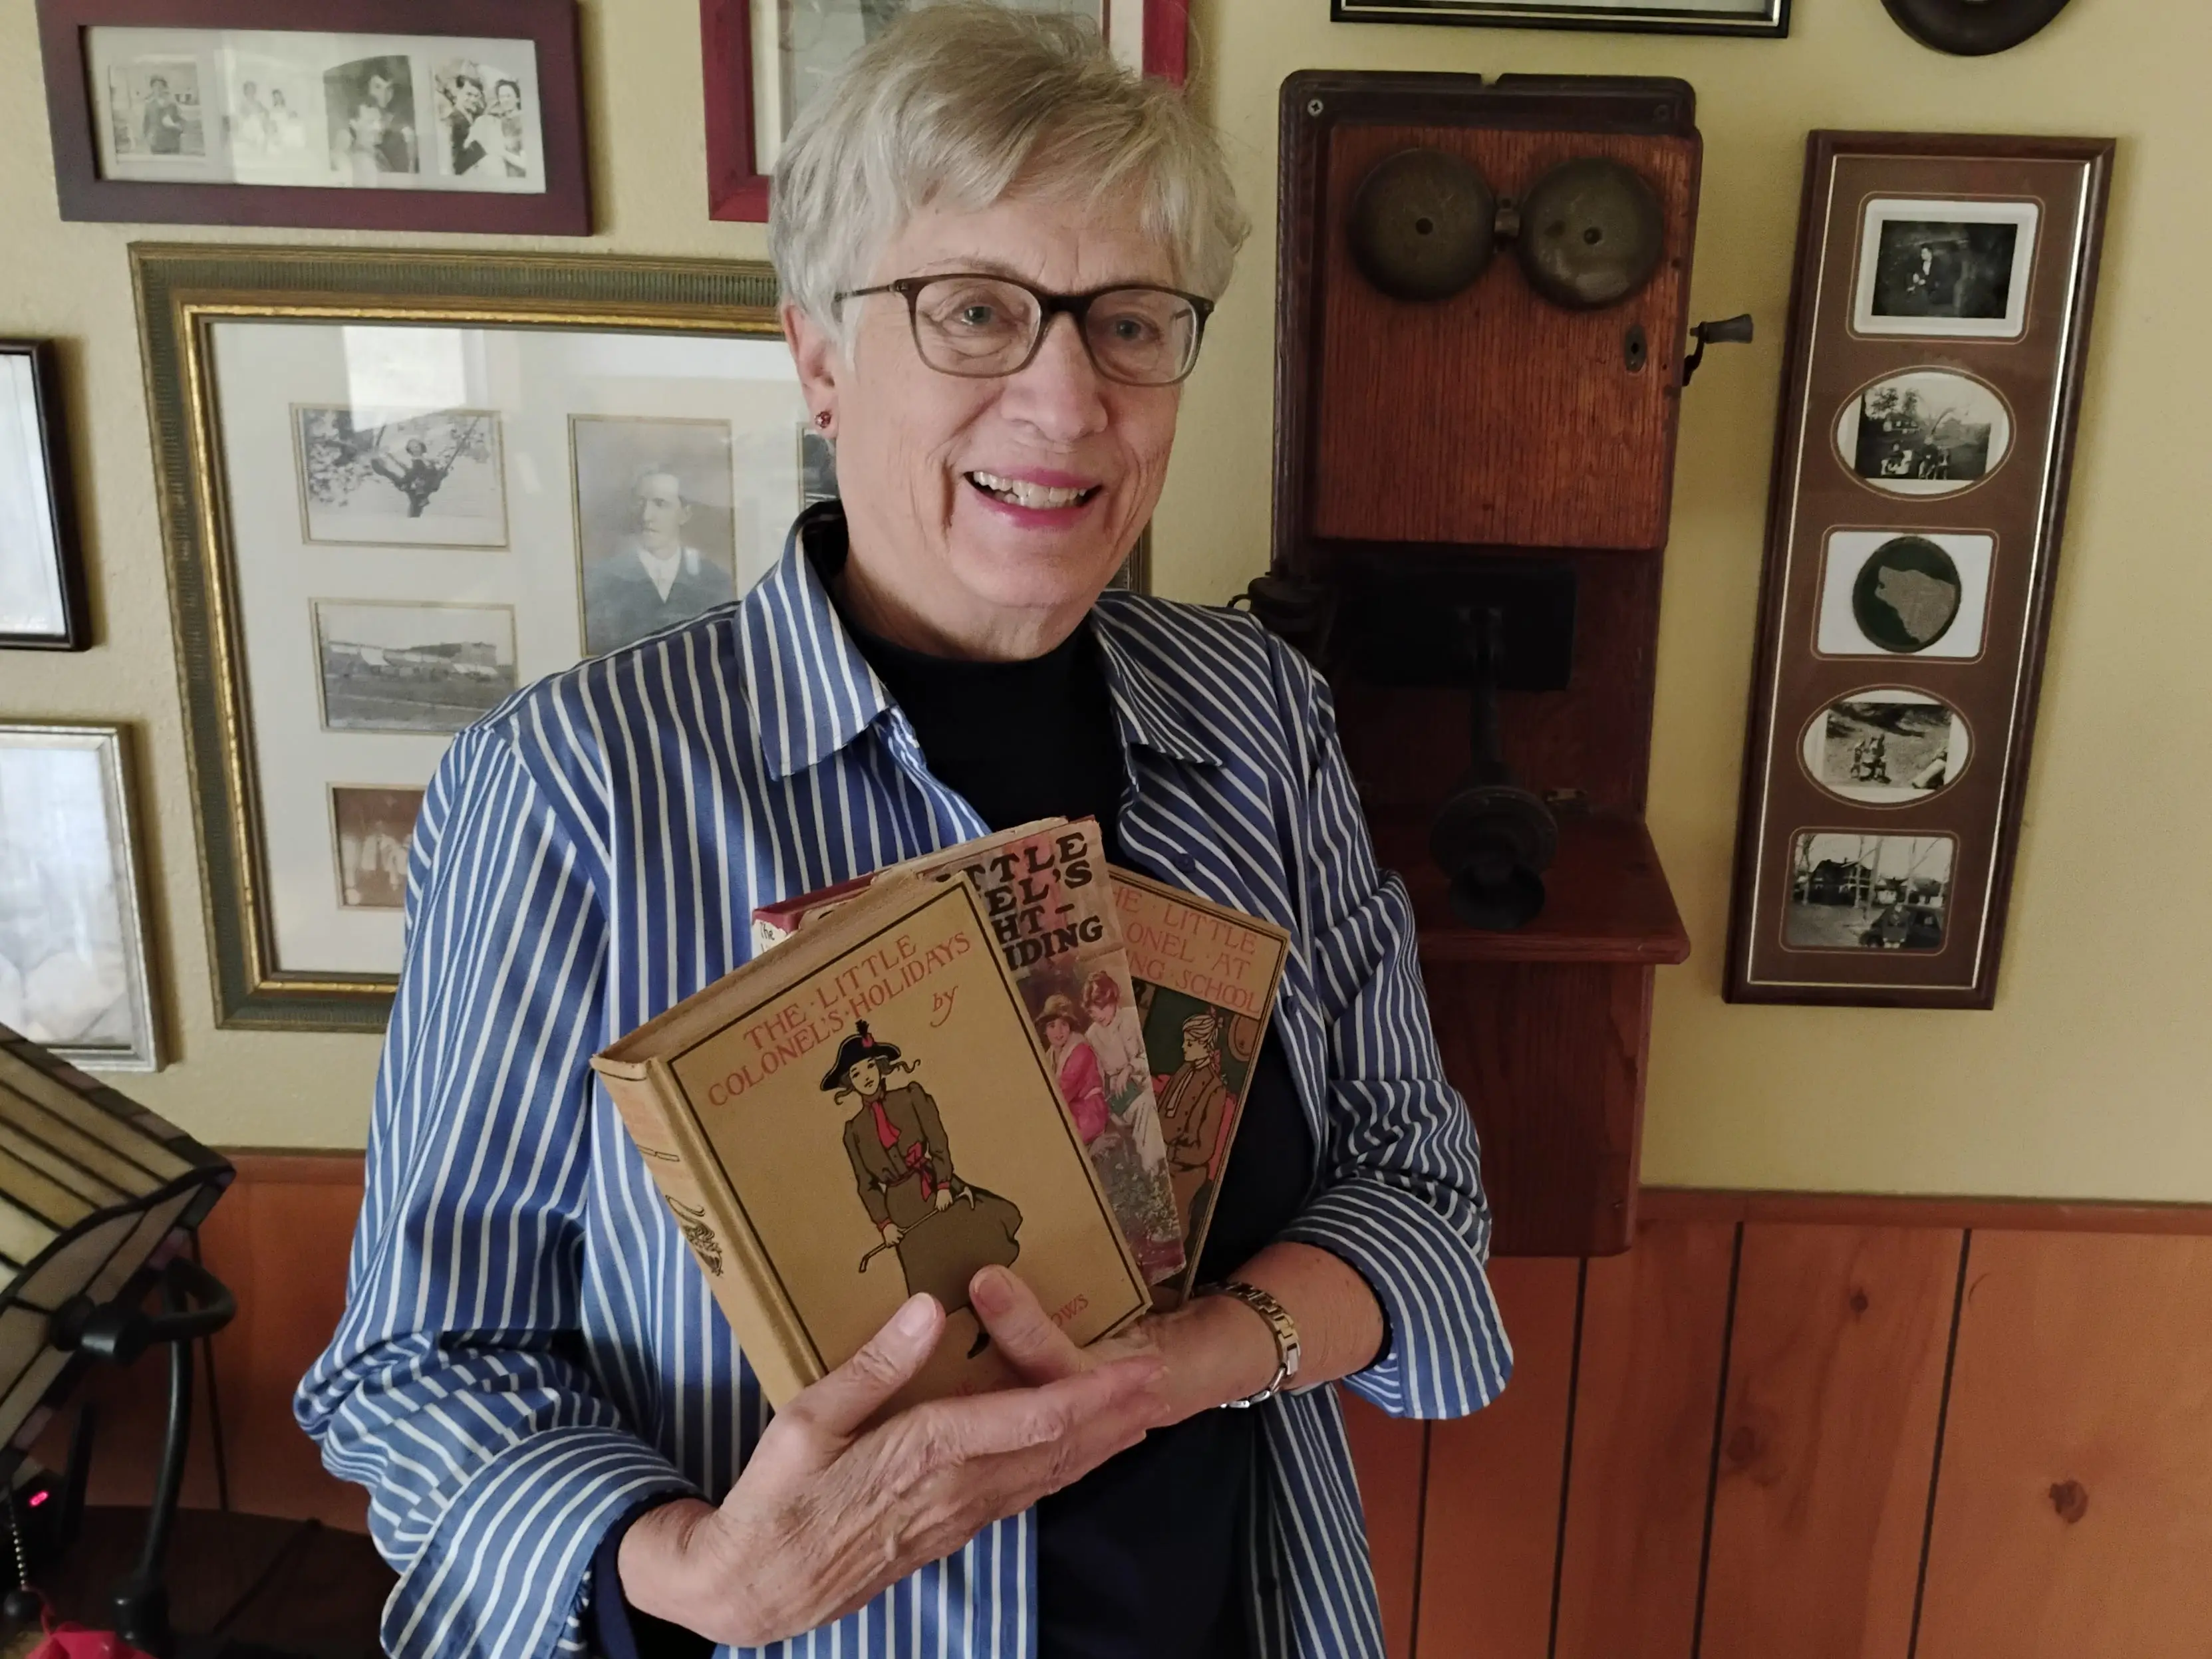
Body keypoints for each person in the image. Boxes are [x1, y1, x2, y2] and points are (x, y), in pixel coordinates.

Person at [297, 9, 1508, 1658]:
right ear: (818, 356)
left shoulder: (1260, 722)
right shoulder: (580, 783)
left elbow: (1416, 1194)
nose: (1066, 396)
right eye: (978, 313)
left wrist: (1181, 1362)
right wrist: (690, 1568)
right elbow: (415, 1365)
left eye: (1132, 322)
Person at [831, 1021, 1024, 1327]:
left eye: (868, 1067)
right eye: (856, 1074)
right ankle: (974, 1328)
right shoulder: (853, 1131)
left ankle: (1001, 1314)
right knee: (934, 1274)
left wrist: (945, 1185)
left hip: (934, 1186)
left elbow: (937, 1141)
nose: (865, 1077)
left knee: (970, 1248)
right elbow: (866, 1185)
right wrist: (885, 1224)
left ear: (880, 1066)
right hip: (902, 1209)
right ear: (849, 1083)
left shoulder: (911, 1095)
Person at [581, 465, 737, 654]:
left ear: (685, 514)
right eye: (640, 503)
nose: (646, 516)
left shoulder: (717, 581)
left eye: (660, 504)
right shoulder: (600, 581)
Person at [1037, 993, 1110, 1143]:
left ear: (1070, 1026)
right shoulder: (1051, 1053)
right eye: (1052, 1026)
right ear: (1045, 1030)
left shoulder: (1080, 1050)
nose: (1059, 1032)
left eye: (1063, 1024)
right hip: (1070, 1108)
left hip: (1089, 1111)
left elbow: (1063, 1091)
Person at [140, 75, 185, 155]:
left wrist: (178, 126)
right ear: (152, 89)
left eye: (160, 86)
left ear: (164, 88)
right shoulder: (149, 106)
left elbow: (180, 121)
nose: (158, 88)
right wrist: (147, 135)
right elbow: (146, 124)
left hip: (172, 142)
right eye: (155, 86)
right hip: (156, 143)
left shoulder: (172, 105)